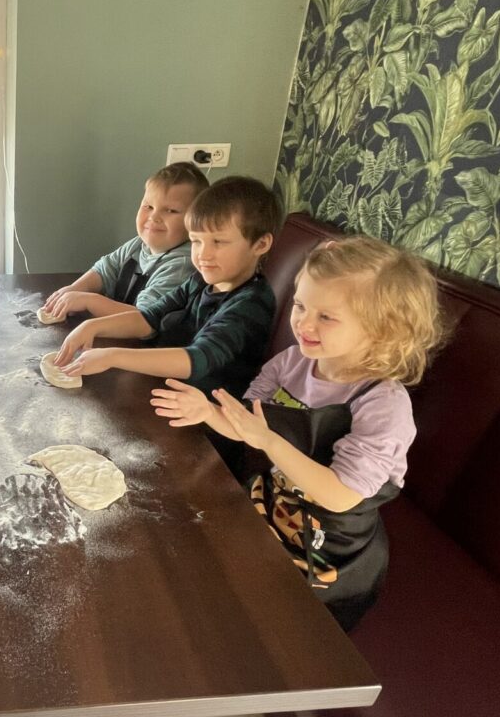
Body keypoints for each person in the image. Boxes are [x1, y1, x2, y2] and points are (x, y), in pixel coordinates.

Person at [150, 237, 444, 629]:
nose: (303, 324)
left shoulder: (383, 405)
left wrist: (268, 441)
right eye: (301, 305)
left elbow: (340, 496)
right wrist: (207, 412)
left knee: (280, 626)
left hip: (329, 547)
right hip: (271, 502)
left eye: (327, 317)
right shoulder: (291, 362)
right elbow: (248, 426)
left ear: (383, 330)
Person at [53, 176, 280, 399]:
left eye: (218, 242)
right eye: (196, 241)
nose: (203, 254)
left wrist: (112, 356)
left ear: (260, 244)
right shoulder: (200, 281)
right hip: (168, 390)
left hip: (206, 412)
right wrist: (92, 327)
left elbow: (196, 360)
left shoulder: (251, 304)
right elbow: (149, 318)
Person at [41, 162, 209, 320]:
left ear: (196, 220)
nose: (154, 217)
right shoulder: (138, 245)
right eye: (148, 207)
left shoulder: (181, 265)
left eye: (171, 210)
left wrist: (88, 301)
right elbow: (105, 269)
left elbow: (145, 319)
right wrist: (74, 289)